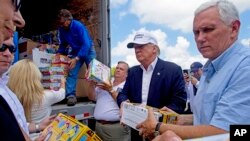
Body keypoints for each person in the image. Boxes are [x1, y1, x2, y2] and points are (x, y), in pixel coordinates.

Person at [137, 0, 250, 139]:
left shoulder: (245, 67)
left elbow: (226, 133)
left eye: (208, 29)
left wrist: (157, 126)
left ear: (234, 28)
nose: (200, 38)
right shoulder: (211, 66)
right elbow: (208, 118)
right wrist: (182, 119)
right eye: (196, 32)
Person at [117, 31, 187, 141]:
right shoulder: (133, 72)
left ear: (154, 48)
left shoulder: (173, 70)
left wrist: (159, 115)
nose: (137, 49)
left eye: (141, 46)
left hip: (161, 132)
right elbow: (123, 93)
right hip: (137, 130)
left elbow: (179, 102)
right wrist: (123, 103)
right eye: (135, 47)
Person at [7, 59, 66, 140]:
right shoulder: (45, 96)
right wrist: (62, 82)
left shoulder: (10, 98)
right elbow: (61, 94)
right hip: (43, 137)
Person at [57, 9, 96, 106]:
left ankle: (97, 94)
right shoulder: (62, 29)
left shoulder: (78, 26)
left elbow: (86, 44)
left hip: (88, 49)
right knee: (72, 70)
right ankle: (71, 96)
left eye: (62, 22)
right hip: (75, 51)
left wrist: (77, 58)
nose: (61, 25)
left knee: (94, 72)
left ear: (68, 20)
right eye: (60, 23)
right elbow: (63, 44)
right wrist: (59, 54)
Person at [86, 61, 131, 141]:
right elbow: (91, 97)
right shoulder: (105, 81)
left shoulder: (127, 86)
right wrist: (91, 83)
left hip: (115, 129)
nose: (118, 70)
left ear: (126, 74)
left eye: (121, 69)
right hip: (99, 126)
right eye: (117, 68)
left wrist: (110, 89)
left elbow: (125, 105)